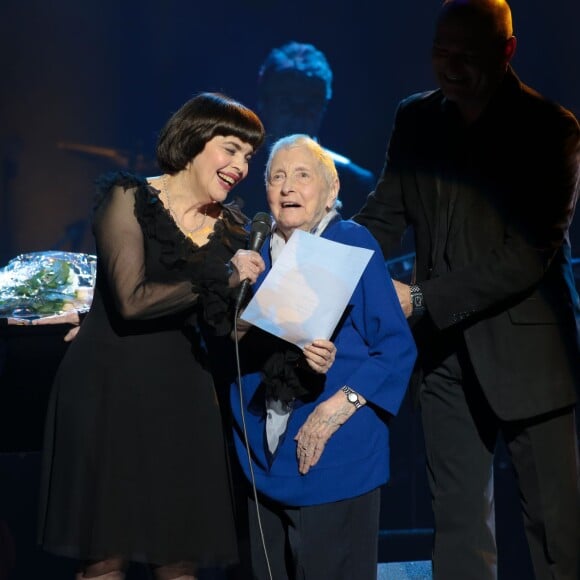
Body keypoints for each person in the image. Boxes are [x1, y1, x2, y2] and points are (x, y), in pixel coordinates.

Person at [353, 1, 580, 579]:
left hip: (532, 359)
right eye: (441, 50)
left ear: (506, 51)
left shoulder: (551, 129)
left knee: (556, 531)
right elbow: (383, 214)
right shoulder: (417, 119)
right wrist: (313, 262)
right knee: (457, 529)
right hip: (445, 356)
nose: (450, 66)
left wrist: (423, 298)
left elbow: (527, 255)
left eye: (467, 54)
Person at [37, 92, 268, 580]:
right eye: (231, 148)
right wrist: (223, 277)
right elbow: (132, 300)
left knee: (178, 560)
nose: (241, 165)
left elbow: (227, 332)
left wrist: (263, 303)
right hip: (109, 389)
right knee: (104, 559)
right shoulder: (130, 198)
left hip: (183, 396)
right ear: (194, 140)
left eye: (249, 157)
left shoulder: (234, 231)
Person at [230, 134, 417, 579]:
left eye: (302, 175)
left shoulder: (352, 241)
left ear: (331, 190)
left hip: (335, 457)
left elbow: (394, 347)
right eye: (277, 177)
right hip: (260, 456)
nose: (288, 187)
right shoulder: (251, 253)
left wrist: (341, 404)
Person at [236, 41, 376, 220]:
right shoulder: (237, 173)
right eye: (287, 102)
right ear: (264, 102)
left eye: (311, 103)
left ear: (324, 105)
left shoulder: (355, 184)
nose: (299, 113)